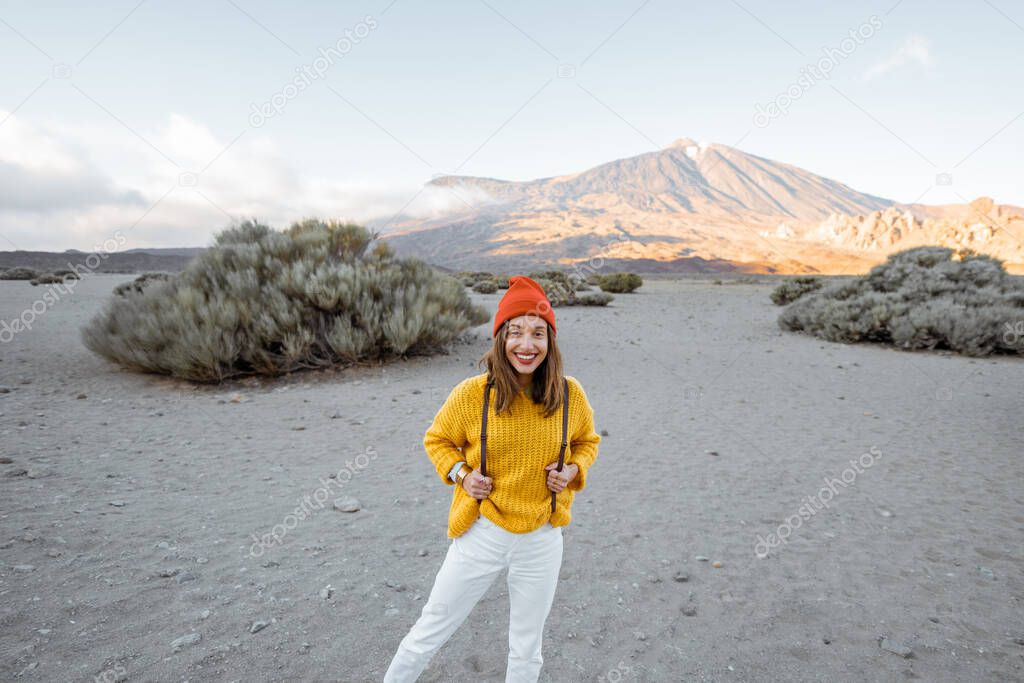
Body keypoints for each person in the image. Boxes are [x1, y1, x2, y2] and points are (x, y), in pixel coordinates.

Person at [383, 275, 601, 683]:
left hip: (542, 538)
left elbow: (588, 442)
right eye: (515, 332)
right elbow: (437, 441)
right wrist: (462, 475)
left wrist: (572, 471)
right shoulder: (471, 394)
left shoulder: (570, 395)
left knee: (526, 648)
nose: (527, 344)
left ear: (550, 341)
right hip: (481, 532)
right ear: (500, 338)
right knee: (429, 631)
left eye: (538, 333)